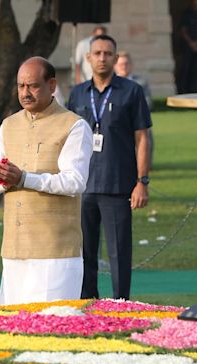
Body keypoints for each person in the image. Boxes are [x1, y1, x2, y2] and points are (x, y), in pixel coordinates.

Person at [0, 56, 93, 305]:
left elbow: (75, 181)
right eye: (21, 86)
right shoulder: (9, 125)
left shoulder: (73, 126)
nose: (25, 93)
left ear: (51, 86)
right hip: (14, 248)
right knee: (14, 326)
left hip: (55, 251)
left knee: (52, 328)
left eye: (32, 86)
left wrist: (24, 179)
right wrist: (6, 180)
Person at [68, 35, 152, 300]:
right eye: (98, 53)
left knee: (119, 252)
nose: (102, 58)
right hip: (83, 185)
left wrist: (142, 181)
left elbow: (142, 138)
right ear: (88, 58)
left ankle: (121, 303)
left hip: (118, 184)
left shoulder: (131, 91)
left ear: (116, 58)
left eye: (108, 53)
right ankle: (87, 302)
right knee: (84, 251)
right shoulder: (78, 93)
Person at [114, 50, 154, 170]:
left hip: (137, 120)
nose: (124, 67)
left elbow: (148, 102)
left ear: (131, 65)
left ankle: (145, 166)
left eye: (126, 64)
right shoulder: (110, 84)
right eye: (121, 64)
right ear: (115, 66)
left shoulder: (141, 82)